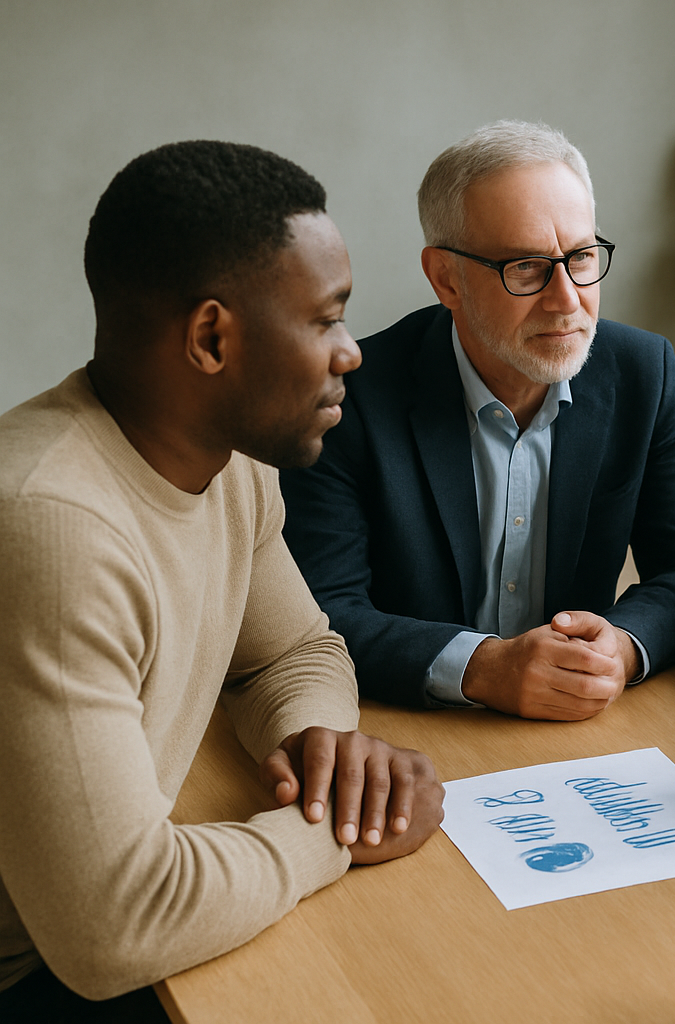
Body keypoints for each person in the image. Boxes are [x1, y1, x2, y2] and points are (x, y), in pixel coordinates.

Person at [0, 141, 444, 1019]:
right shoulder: (48, 526)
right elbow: (114, 926)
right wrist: (337, 833)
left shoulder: (233, 466)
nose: (351, 352)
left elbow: (290, 652)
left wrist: (326, 750)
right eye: (325, 320)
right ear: (211, 338)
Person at [280, 121, 675, 717]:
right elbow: (318, 612)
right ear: (446, 279)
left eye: (582, 257)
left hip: (582, 734)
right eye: (527, 268)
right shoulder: (349, 397)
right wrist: (481, 667)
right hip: (409, 730)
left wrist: (621, 647)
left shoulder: (645, 374)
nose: (568, 298)